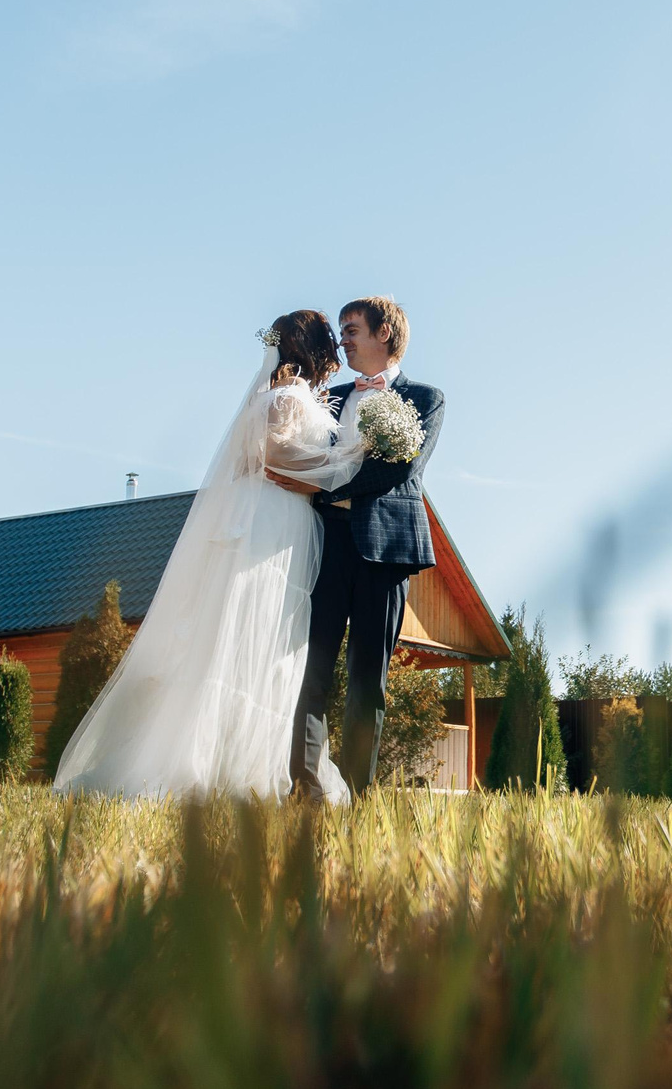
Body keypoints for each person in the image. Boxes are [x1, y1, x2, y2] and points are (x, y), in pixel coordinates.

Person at [51, 311, 365, 801]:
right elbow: (271, 452)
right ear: (315, 348)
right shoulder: (286, 397)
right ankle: (216, 766)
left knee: (268, 637)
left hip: (285, 520)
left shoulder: (288, 395)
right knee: (250, 631)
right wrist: (344, 465)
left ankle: (247, 758)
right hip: (271, 518)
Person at [270, 295, 445, 801]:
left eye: (351, 329)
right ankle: (306, 788)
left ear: (383, 333)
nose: (342, 339)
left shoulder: (425, 398)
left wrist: (322, 489)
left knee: (369, 680)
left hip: (385, 553)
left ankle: (357, 795)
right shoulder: (330, 396)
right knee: (311, 669)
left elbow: (400, 469)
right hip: (325, 545)